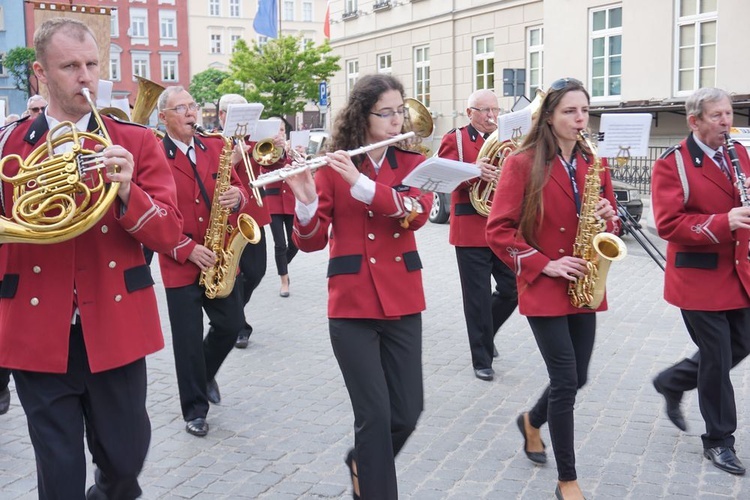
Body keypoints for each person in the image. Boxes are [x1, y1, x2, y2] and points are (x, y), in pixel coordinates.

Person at [0, 18, 183, 498]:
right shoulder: (10, 145)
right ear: (40, 74)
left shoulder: (136, 141)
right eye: (70, 66)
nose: (85, 77)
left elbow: (169, 232)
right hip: (37, 326)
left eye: (91, 65)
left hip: (117, 321)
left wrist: (128, 192)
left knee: (125, 461)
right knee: (58, 474)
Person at [285, 74, 432, 499]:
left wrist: (362, 185)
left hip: (403, 298)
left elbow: (414, 213)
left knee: (407, 412)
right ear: (362, 117)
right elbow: (310, 243)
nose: (395, 119)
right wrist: (307, 200)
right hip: (351, 306)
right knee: (373, 414)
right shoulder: (335, 163)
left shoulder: (413, 163)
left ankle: (362, 464)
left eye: (399, 111)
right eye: (385, 112)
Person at [486, 77, 619, 500]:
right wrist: (546, 263)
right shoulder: (522, 162)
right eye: (570, 111)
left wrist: (607, 214)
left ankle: (531, 421)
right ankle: (568, 480)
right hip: (544, 282)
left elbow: (609, 222)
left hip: (584, 280)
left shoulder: (593, 162)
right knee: (565, 381)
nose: (580, 119)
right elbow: (499, 230)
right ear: (548, 117)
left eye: (584, 110)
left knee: (577, 377)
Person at [651, 87, 750, 476]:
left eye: (729, 114)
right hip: (698, 276)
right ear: (694, 121)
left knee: (741, 342)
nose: (726, 122)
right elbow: (669, 224)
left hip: (737, 270)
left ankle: (671, 381)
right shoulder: (672, 164)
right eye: (717, 116)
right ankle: (719, 440)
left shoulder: (739, 153)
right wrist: (721, 222)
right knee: (718, 356)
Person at [157, 85, 249, 437]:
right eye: (181, 108)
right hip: (180, 260)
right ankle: (194, 409)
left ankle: (204, 372)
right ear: (164, 117)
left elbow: (240, 186)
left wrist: (237, 196)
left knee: (231, 324)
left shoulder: (216, 146)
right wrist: (184, 248)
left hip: (219, 257)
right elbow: (152, 212)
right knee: (187, 339)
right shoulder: (155, 153)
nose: (191, 113)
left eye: (192, 106)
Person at [437, 89, 518, 381]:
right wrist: (474, 171)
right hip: (470, 230)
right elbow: (444, 180)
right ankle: (481, 359)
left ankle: (487, 332)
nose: (491, 116)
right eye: (484, 111)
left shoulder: (508, 140)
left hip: (501, 229)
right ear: (469, 112)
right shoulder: (454, 139)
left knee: (513, 289)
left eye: (495, 110)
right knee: (477, 299)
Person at [218, 93, 272, 348]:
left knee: (256, 272)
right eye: (239, 115)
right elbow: (213, 178)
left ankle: (235, 314)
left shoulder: (255, 140)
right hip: (228, 219)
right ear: (222, 116)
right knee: (235, 274)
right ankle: (239, 324)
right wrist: (235, 158)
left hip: (254, 216)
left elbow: (272, 165)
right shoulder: (213, 142)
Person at [258, 118, 297, 297]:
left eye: (282, 130)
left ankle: (283, 266)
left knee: (295, 243)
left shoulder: (293, 150)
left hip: (291, 201)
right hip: (273, 202)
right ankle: (284, 280)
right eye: (276, 130)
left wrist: (295, 154)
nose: (280, 133)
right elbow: (267, 168)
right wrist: (280, 152)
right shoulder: (265, 149)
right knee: (280, 244)